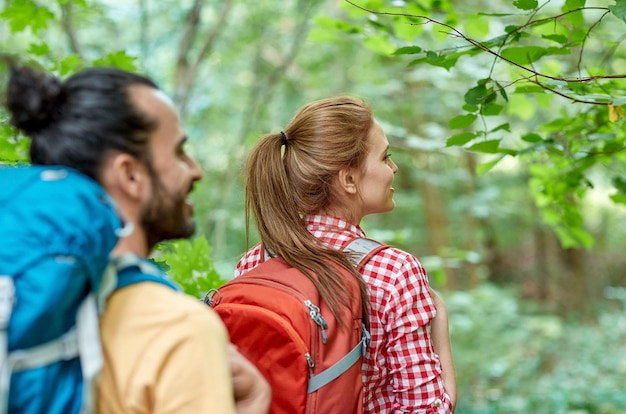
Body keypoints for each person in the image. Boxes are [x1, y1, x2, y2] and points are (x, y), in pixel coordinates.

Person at [4, 65, 270, 414]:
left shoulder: (21, 298)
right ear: (130, 175)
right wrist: (254, 402)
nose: (195, 170)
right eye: (178, 152)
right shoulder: (176, 327)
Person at [235, 96, 457, 413]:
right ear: (349, 179)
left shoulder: (253, 264)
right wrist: (441, 323)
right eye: (385, 157)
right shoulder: (394, 270)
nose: (394, 167)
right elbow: (426, 408)